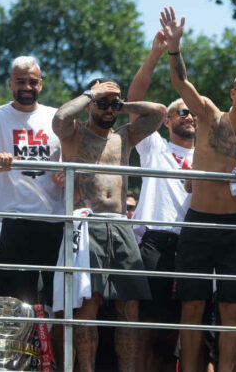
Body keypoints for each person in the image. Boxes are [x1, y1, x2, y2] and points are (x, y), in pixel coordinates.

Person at [161, 6, 236, 372]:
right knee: (192, 307)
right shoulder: (210, 115)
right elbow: (182, 84)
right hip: (198, 223)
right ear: (234, 93)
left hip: (235, 226)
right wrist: (175, 48)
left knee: (232, 309)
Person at [52, 76, 165, 372]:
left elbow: (159, 111)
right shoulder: (74, 133)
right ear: (90, 103)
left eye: (112, 105)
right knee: (87, 305)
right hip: (86, 222)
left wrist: (119, 102)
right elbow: (61, 116)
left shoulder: (124, 136)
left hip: (120, 224)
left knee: (129, 305)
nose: (108, 110)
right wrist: (93, 94)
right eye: (102, 104)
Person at [127, 30, 196, 371]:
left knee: (181, 334)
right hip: (154, 241)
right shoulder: (153, 147)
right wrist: (156, 53)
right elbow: (134, 97)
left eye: (193, 112)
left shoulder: (210, 156)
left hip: (194, 247)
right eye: (181, 112)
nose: (190, 116)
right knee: (148, 328)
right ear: (167, 121)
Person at [0, 56, 64, 307]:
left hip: (54, 222)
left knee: (56, 301)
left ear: (41, 85)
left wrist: (65, 174)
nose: (27, 87)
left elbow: (73, 158)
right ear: (9, 84)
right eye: (20, 81)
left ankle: (53, 348)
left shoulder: (56, 117)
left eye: (32, 82)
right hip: (15, 222)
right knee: (14, 303)